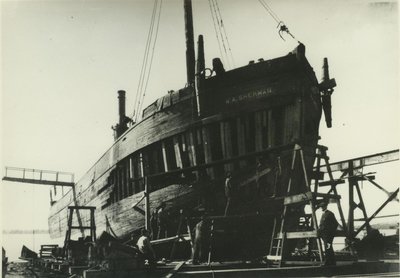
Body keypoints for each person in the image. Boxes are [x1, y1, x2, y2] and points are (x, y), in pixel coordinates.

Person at [317, 201, 339, 266]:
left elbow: (335, 224)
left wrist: (330, 232)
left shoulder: (330, 214)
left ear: (326, 206)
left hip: (328, 235)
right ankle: (332, 262)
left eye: (322, 206)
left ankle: (327, 262)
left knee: (328, 248)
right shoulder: (323, 214)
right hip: (324, 235)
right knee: (328, 248)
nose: (321, 208)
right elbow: (322, 225)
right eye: (321, 207)